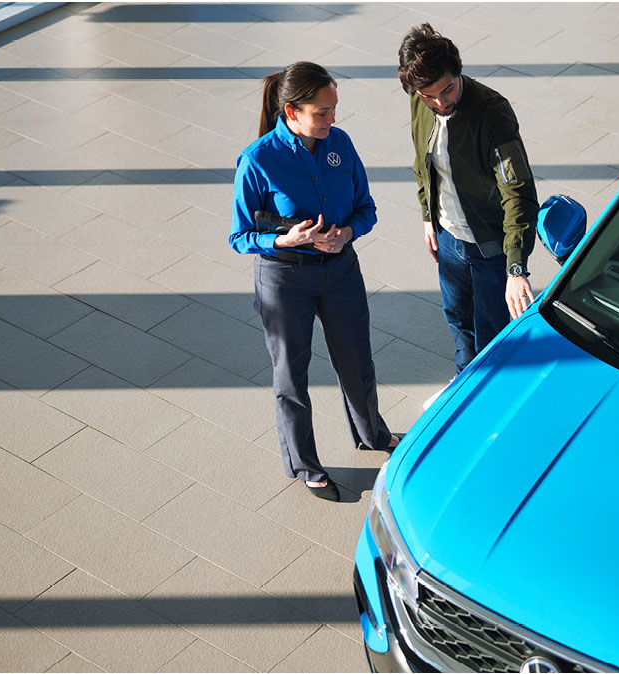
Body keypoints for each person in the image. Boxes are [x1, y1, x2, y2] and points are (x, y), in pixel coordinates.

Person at [230, 62, 398, 502]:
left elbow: (366, 207)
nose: (332, 120)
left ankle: (372, 434)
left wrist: (348, 232)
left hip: (341, 270)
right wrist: (285, 238)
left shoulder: (339, 145)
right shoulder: (257, 160)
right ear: (292, 112)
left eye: (333, 109)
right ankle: (304, 463)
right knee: (291, 374)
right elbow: (240, 236)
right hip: (285, 278)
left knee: (357, 359)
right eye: (322, 112)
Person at [398, 24, 540, 378]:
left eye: (447, 89)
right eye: (430, 96)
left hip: (490, 247)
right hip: (448, 239)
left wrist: (515, 266)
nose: (440, 102)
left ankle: (487, 399)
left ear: (458, 70)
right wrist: (428, 216)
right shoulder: (420, 100)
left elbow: (518, 192)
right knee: (458, 319)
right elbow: (422, 162)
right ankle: (464, 383)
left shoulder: (493, 113)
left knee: (492, 334)